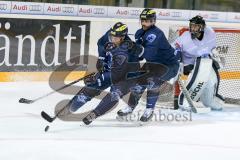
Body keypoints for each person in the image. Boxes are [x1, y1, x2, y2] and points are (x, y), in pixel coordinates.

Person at [116, 8, 180, 122]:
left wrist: (134, 47)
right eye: (144, 20)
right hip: (154, 64)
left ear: (154, 21)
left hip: (169, 65)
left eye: (149, 20)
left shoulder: (156, 34)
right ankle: (130, 107)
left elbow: (149, 54)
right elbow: (139, 56)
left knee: (152, 81)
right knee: (139, 82)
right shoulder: (139, 33)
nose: (146, 23)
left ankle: (149, 110)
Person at [173, 15, 225, 111]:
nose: (192, 28)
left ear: (202, 27)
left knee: (211, 81)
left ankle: (210, 100)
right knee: (192, 83)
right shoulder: (185, 37)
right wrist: (177, 62)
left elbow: (212, 48)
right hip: (189, 66)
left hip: (205, 64)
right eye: (191, 26)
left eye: (195, 26)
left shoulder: (210, 33)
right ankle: (185, 100)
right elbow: (176, 48)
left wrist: (216, 57)